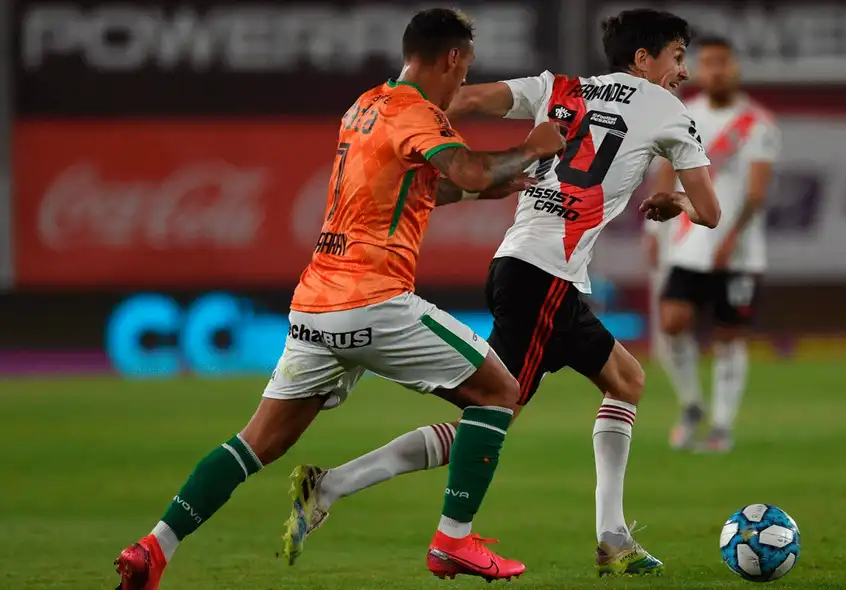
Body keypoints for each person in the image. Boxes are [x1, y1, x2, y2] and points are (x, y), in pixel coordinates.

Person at [112, 8, 567, 588]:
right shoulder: (418, 113)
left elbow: (441, 187)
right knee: (501, 391)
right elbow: (471, 171)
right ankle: (453, 541)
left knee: (257, 443)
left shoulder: (366, 104)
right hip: (375, 300)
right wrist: (531, 146)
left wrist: (509, 178)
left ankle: (154, 548)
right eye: (464, 69)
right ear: (452, 58)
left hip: (315, 306)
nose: (462, 84)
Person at [279, 8, 722, 578]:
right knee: (489, 416)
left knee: (626, 380)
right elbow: (710, 211)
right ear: (644, 59)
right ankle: (332, 486)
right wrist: (678, 203)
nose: (683, 71)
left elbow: (459, 101)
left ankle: (613, 538)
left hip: (527, 272)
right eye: (678, 56)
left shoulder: (557, 88)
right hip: (542, 276)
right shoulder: (668, 110)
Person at [645, 34, 779, 453]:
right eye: (709, 63)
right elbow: (666, 171)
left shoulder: (757, 124)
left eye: (724, 62)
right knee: (671, 323)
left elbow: (756, 193)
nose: (717, 70)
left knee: (727, 337)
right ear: (699, 69)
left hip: (737, 251)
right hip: (687, 244)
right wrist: (655, 232)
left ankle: (722, 425)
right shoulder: (684, 115)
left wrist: (731, 241)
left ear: (735, 67)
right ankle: (691, 404)